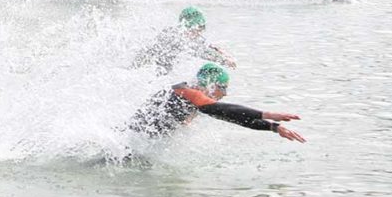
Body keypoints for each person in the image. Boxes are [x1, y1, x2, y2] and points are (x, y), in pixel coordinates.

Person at [129, 63, 306, 143]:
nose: (224, 94)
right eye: (223, 88)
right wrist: (266, 114)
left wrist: (273, 127)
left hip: (140, 144)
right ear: (210, 84)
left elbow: (233, 117)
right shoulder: (187, 92)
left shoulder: (193, 99)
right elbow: (223, 109)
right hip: (130, 143)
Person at [131, 7, 236, 74]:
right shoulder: (175, 38)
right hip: (149, 70)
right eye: (199, 28)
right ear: (189, 27)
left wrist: (222, 53)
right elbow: (200, 51)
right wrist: (223, 61)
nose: (200, 32)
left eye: (202, 28)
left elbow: (205, 44)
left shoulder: (178, 33)